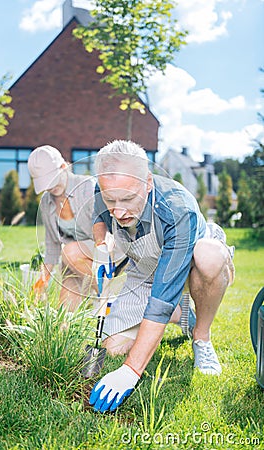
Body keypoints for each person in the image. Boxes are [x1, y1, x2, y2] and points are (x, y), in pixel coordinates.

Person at [89, 140, 235, 413]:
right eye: (111, 200)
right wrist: (101, 246)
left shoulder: (178, 210)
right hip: (145, 266)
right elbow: (99, 212)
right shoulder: (104, 184)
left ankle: (201, 336)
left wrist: (131, 371)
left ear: (146, 182)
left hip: (193, 261)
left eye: (128, 200)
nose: (118, 212)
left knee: (209, 256)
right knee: (114, 347)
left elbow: (160, 298)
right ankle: (182, 315)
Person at [28, 145, 96, 310]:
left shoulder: (88, 187)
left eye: (52, 179)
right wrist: (40, 285)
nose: (50, 187)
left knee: (70, 251)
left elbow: (110, 232)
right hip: (73, 260)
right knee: (65, 312)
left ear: (64, 166)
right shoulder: (46, 202)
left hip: (105, 251)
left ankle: (110, 295)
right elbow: (52, 246)